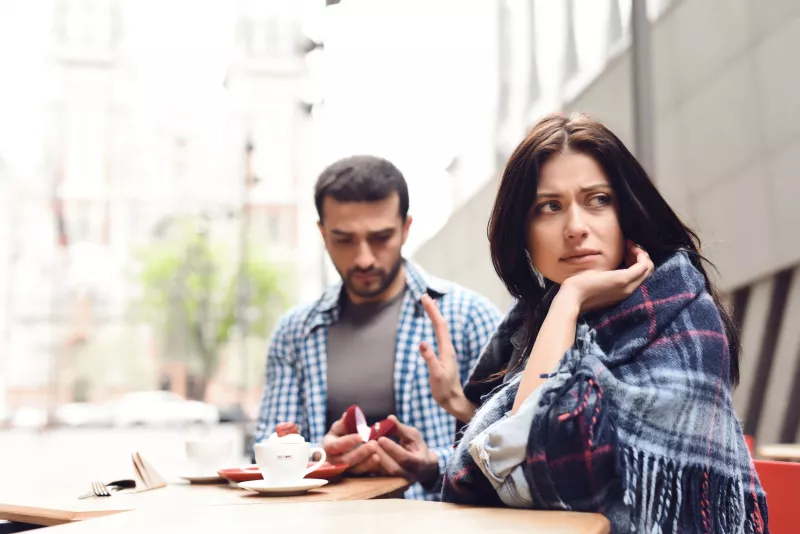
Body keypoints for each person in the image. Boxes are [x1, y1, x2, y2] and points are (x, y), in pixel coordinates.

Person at [419, 114, 768, 531]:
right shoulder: (535, 320)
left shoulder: (686, 321)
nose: (576, 228)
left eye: (598, 199)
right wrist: (459, 404)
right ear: (522, 233)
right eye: (549, 207)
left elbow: (523, 468)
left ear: (627, 213)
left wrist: (571, 298)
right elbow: (507, 447)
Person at [254, 155, 502, 500]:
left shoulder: (469, 317)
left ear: (405, 229)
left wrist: (433, 463)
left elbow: (510, 446)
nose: (364, 258)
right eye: (343, 239)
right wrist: (320, 456)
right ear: (322, 234)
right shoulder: (296, 332)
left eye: (381, 237)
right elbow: (269, 445)